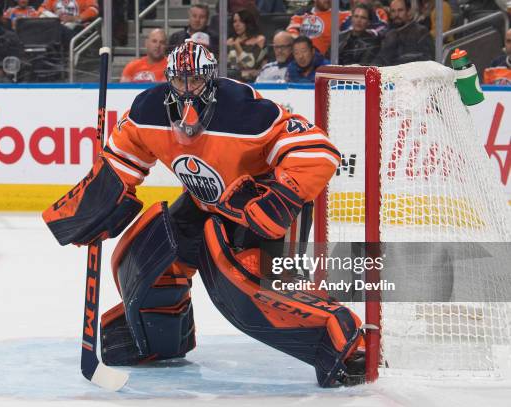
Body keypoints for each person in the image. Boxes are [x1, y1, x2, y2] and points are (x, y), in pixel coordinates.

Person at [42, 40, 366, 389]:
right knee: (144, 254)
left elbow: (319, 151)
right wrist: (95, 204)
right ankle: (160, 341)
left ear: (211, 79)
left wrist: (272, 202)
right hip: (205, 202)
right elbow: (120, 161)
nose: (186, 89)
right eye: (179, 81)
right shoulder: (147, 110)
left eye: (194, 80)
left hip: (258, 207)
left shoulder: (245, 112)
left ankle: (345, 341)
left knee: (240, 287)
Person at [371, 0, 434, 66]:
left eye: (400, 10)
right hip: (390, 73)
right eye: (393, 11)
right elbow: (380, 59)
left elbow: (427, 59)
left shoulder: (421, 32)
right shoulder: (389, 34)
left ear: (408, 11)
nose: (396, 14)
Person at [286, 0, 351, 56]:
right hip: (302, 59)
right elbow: (291, 32)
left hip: (326, 62)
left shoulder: (343, 15)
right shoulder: (301, 13)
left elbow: (352, 34)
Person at [227, 8, 267, 83]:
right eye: (234, 21)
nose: (237, 25)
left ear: (248, 22)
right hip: (233, 80)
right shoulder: (230, 41)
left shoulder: (259, 40)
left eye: (241, 21)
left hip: (254, 81)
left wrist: (237, 46)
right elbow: (232, 66)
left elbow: (250, 64)